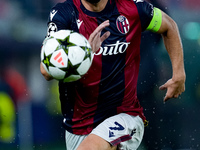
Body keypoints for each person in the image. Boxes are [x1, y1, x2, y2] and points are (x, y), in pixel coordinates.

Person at [40, 0, 186, 149]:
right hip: (79, 124)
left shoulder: (133, 8)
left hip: (125, 115)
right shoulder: (64, 13)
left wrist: (179, 74)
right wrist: (83, 53)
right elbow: (46, 70)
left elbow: (169, 26)